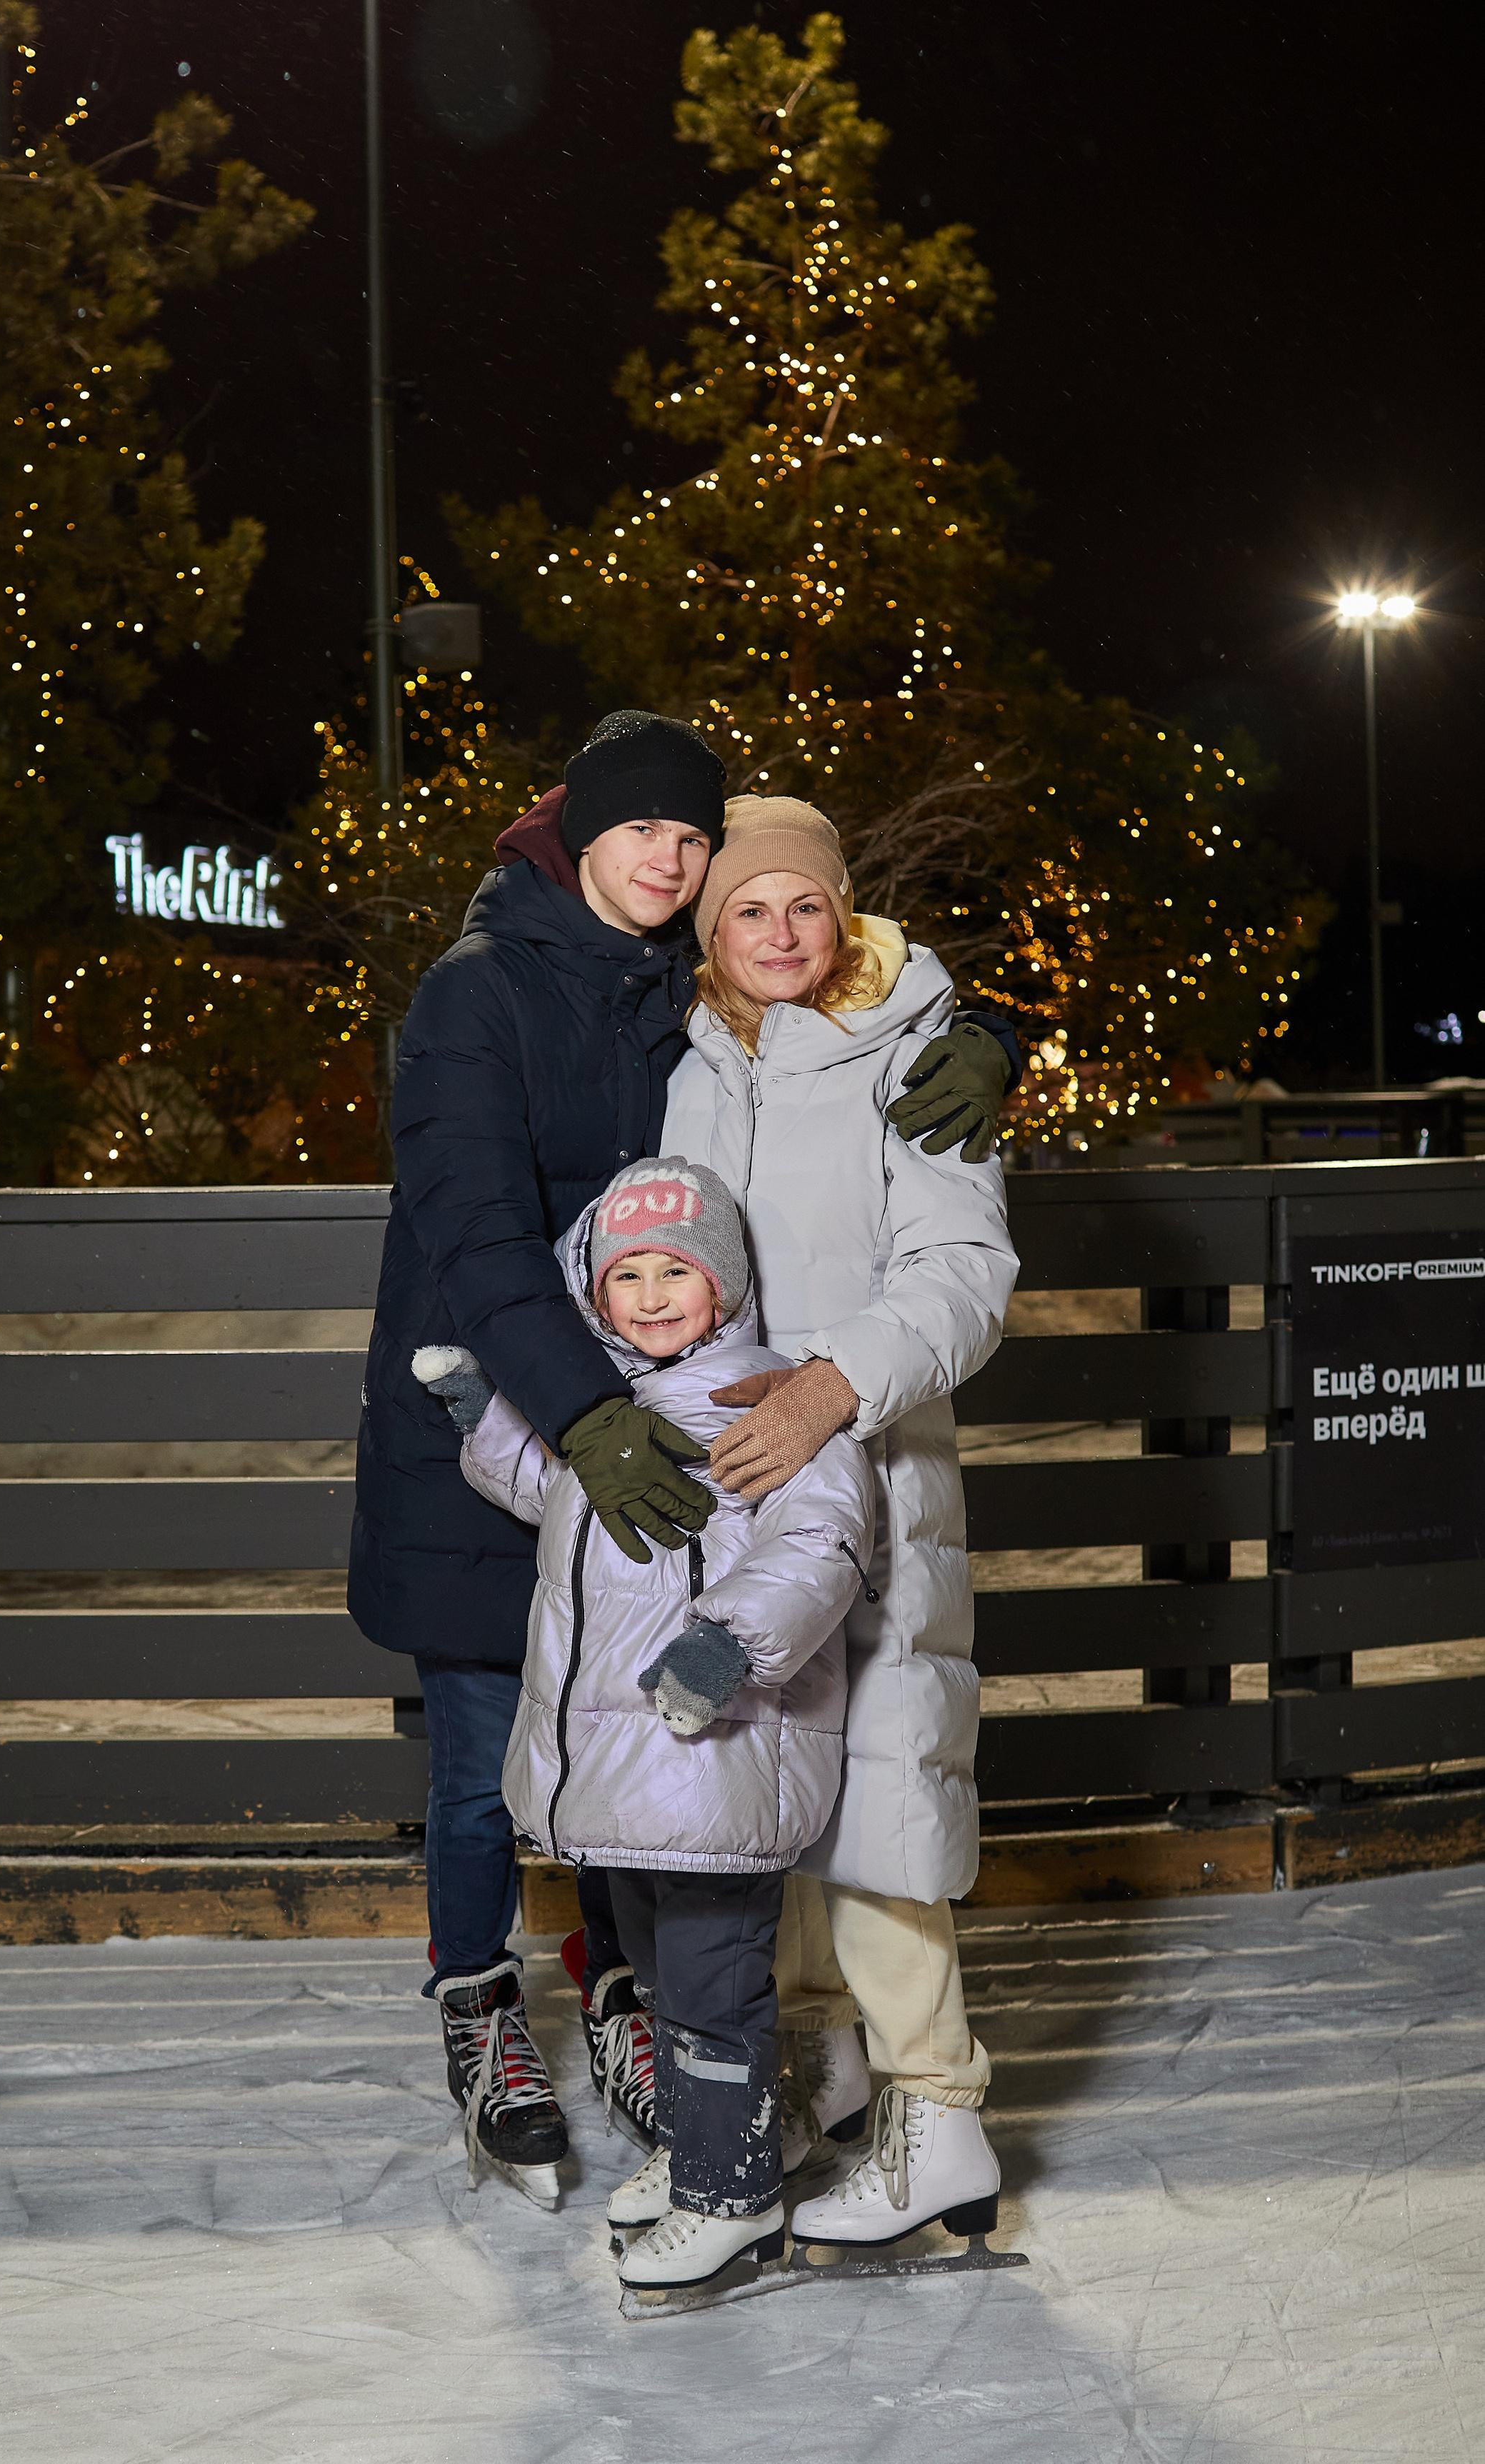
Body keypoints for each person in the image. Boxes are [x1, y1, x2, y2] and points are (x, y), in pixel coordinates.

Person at [347, 712, 1018, 2193]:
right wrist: (575, 1422)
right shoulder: (476, 999)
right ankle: (480, 2007)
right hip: (507, 1421)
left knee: (659, 1739)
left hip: (667, 1440)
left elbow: (831, 975)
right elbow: (476, 1236)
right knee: (487, 1766)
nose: (670, 858)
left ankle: (629, 2001)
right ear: (573, 831)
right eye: (640, 830)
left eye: (688, 834)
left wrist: (982, 1025)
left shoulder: (678, 988)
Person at [660, 793, 1020, 2249]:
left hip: (867, 1472)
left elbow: (964, 1273)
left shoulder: (917, 1051)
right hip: (736, 1492)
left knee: (876, 1796)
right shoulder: (691, 1062)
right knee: (774, 1805)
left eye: (805, 905)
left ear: (845, 912)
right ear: (712, 932)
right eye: (748, 909)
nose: (779, 933)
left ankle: (939, 2109)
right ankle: (818, 2070)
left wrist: (829, 1390)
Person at [427, 1156, 876, 2288]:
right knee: (672, 1990)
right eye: (627, 1274)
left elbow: (821, 1537)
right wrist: (487, 1416)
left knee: (716, 1991)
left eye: (677, 1269)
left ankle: (732, 2198)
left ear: (722, 1284)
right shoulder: (611, 1412)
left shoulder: (759, 1398)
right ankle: (705, 2155)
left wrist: (730, 1641)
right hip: (629, 1781)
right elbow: (548, 1493)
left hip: (716, 1763)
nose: (653, 1294)